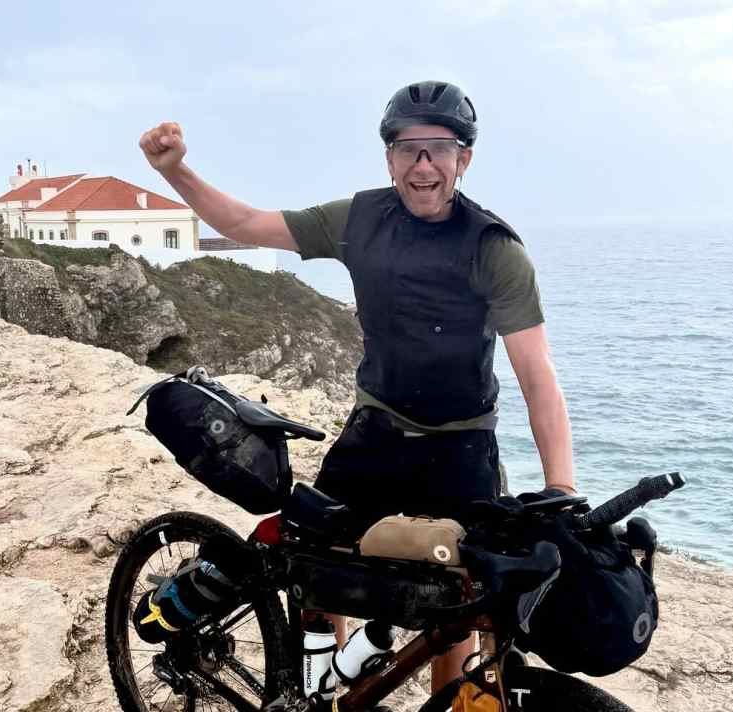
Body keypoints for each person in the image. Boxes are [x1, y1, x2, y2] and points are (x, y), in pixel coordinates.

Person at [139, 80, 576, 695]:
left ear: (464, 159)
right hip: (376, 429)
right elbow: (244, 223)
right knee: (316, 559)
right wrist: (176, 171)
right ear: (389, 157)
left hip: (461, 443)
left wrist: (562, 486)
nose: (423, 164)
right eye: (407, 148)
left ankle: (445, 701)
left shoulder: (494, 249)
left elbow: (537, 375)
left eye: (439, 148)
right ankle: (328, 690)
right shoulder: (358, 220)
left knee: (455, 608)